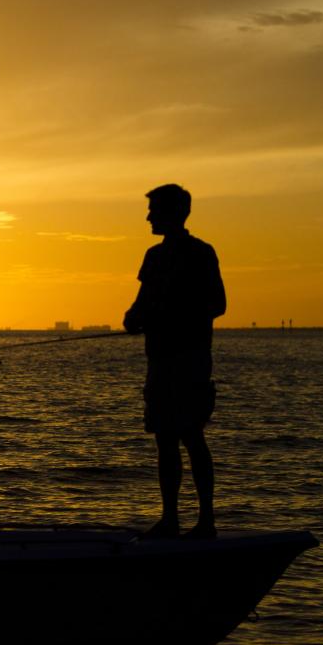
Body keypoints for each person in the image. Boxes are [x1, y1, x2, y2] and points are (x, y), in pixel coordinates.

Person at [123, 184, 226, 539]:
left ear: (174, 213)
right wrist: (133, 317)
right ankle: (170, 520)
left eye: (154, 210)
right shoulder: (152, 256)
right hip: (160, 360)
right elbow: (141, 301)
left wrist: (169, 315)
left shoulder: (201, 253)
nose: (149, 216)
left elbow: (217, 304)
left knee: (191, 435)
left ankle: (206, 522)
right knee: (164, 439)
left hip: (190, 359)